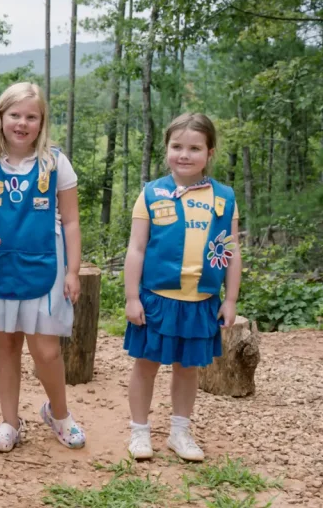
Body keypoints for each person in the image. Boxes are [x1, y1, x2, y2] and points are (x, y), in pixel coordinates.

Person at [0, 82, 87, 452]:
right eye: (15, 115)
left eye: (31, 117)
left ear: (41, 122)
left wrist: (73, 270)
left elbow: (71, 221)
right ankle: (9, 421)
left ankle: (59, 414)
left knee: (46, 350)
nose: (22, 123)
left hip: (45, 264)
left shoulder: (55, 162)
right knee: (6, 345)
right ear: (0, 117)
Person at [123, 113, 241, 462]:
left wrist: (230, 299)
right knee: (146, 365)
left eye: (194, 148)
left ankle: (180, 432)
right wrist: (132, 296)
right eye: (177, 146)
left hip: (201, 302)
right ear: (166, 149)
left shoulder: (224, 197)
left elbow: (232, 252)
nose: (184, 155)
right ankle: (139, 431)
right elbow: (136, 248)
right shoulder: (151, 193)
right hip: (157, 300)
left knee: (187, 368)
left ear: (209, 153)